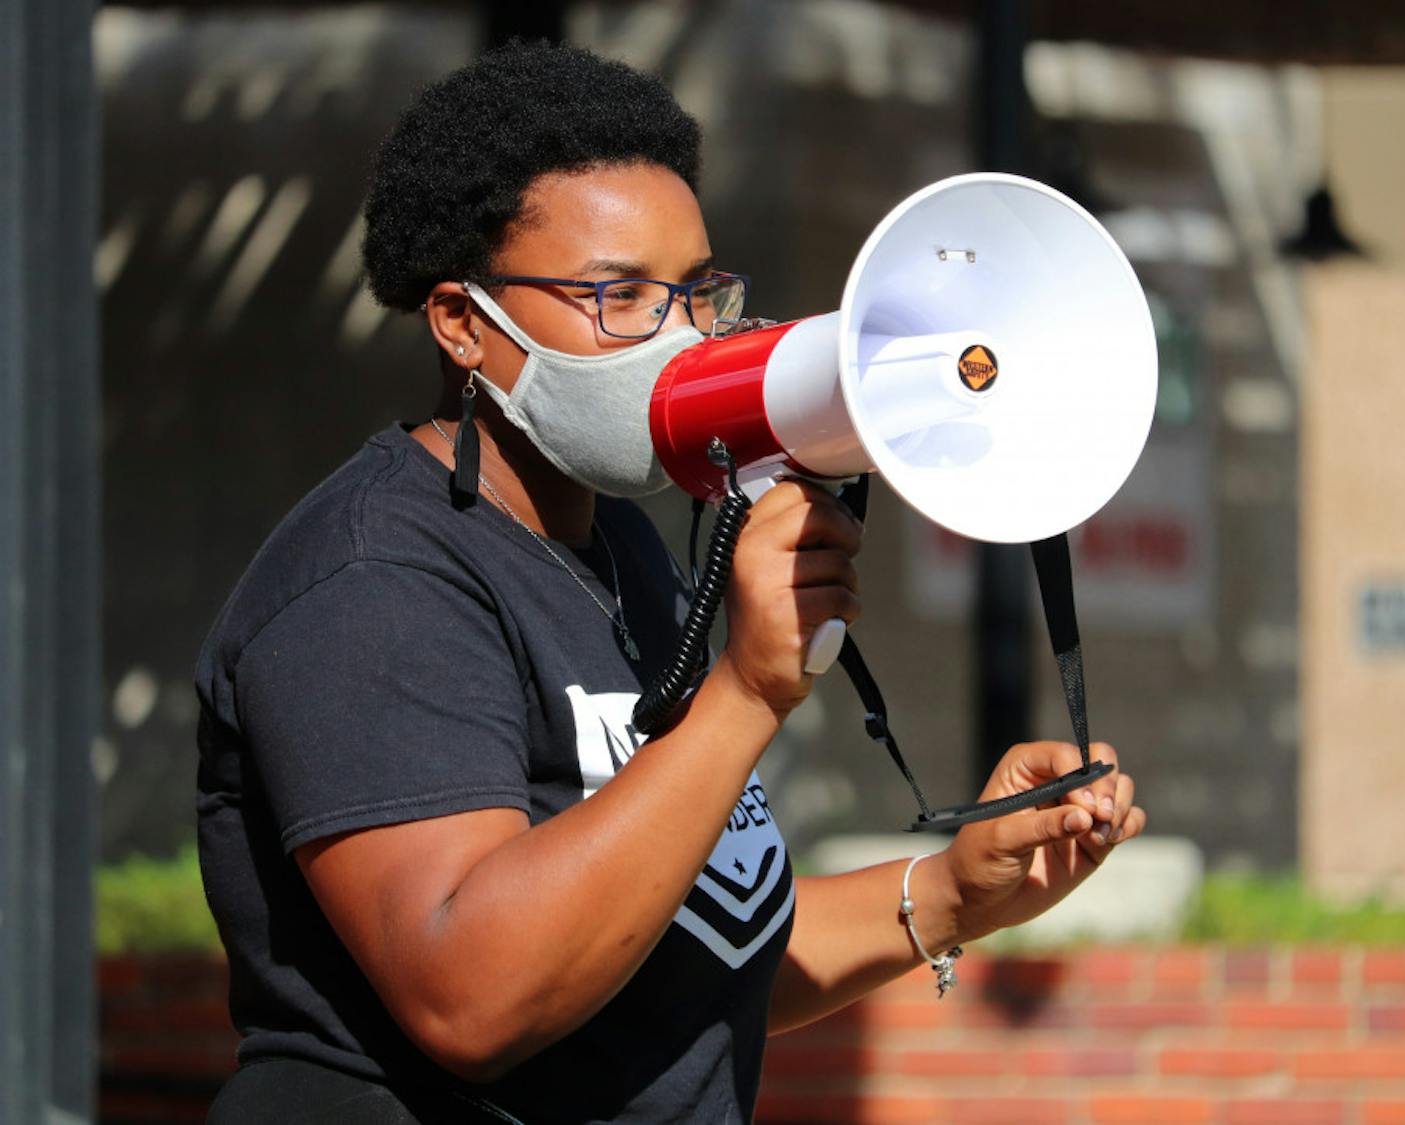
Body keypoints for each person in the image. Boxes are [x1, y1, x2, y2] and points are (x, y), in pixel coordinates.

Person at [196, 39, 1146, 1125]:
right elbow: (476, 997)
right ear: (462, 323)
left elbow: (689, 960)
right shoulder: (372, 583)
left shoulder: (630, 556)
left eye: (697, 291)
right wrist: (742, 697)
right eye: (620, 296)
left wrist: (952, 893)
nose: (683, 334)